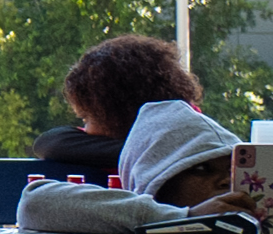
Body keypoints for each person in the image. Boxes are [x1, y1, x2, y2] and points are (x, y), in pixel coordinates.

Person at [19, 96, 262, 233]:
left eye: (232, 171)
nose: (225, 181)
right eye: (200, 168)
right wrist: (185, 218)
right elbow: (35, 202)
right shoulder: (127, 220)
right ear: (157, 182)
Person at [30, 34, 200, 181]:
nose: (85, 129)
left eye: (86, 118)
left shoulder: (193, 142)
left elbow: (52, 144)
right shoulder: (196, 131)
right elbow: (49, 142)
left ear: (114, 115)